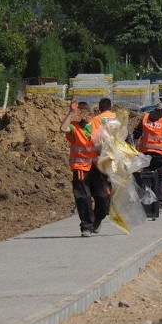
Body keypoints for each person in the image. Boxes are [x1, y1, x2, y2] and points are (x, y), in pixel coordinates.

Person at [60, 100, 110, 237]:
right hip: (81, 167)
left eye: (83, 112)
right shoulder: (74, 127)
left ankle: (97, 220)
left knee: (104, 196)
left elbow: (109, 140)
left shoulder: (97, 125)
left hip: (97, 167)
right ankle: (86, 226)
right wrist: (71, 113)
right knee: (83, 197)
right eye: (78, 113)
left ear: (89, 113)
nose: (81, 116)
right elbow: (63, 128)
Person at [133, 103, 162, 209]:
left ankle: (147, 202)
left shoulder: (145, 118)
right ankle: (160, 203)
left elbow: (136, 134)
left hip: (146, 154)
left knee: (147, 178)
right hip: (161, 154)